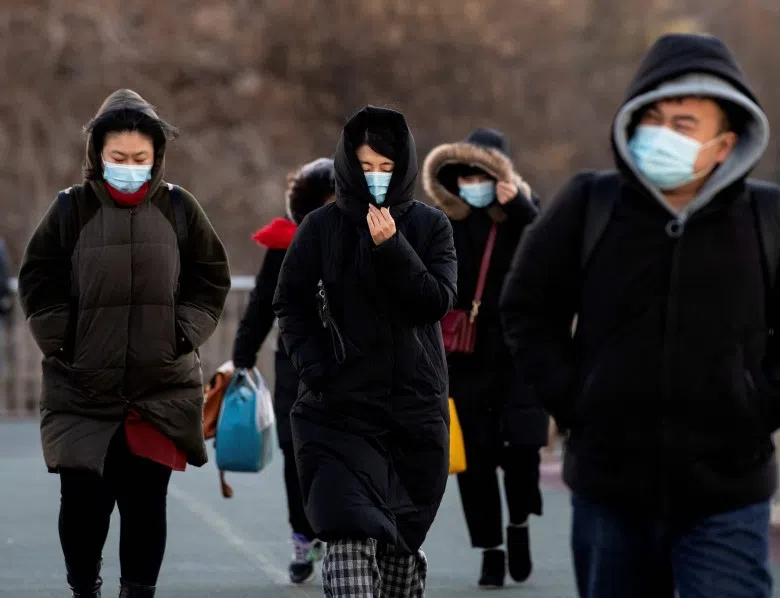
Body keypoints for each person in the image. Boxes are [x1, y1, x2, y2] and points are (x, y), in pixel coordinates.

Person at [500, 33, 780, 598]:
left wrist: (765, 401)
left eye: (683, 125)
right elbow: (526, 309)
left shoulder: (771, 215)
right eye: (651, 119)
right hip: (611, 488)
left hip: (727, 491)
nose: (660, 135)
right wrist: (575, 400)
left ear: (723, 145)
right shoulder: (589, 204)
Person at [17, 89, 231, 598]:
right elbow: (38, 278)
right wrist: (63, 341)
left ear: (157, 156)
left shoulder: (180, 208)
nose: (130, 167)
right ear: (98, 156)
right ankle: (83, 588)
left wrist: (184, 332)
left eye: (140, 158)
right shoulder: (71, 210)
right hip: (82, 388)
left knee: (145, 506)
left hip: (159, 389)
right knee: (83, 505)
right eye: (118, 158)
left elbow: (211, 277)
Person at [273, 105, 457, 597]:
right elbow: (290, 303)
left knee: (399, 549)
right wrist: (315, 367)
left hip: (412, 415)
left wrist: (393, 248)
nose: (375, 178)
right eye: (365, 167)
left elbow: (435, 302)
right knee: (348, 532)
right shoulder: (320, 227)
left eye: (387, 167)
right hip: (338, 413)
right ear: (347, 168)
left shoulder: (431, 226)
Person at [422, 128, 546, 588]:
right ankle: (491, 549)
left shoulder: (524, 216)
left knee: (523, 451)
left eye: (484, 173)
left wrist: (519, 208)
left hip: (518, 356)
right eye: (467, 173)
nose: (474, 181)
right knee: (474, 460)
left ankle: (518, 525)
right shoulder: (445, 221)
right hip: (464, 355)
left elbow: (548, 255)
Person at [231, 157, 335, 583]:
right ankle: (302, 535)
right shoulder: (285, 245)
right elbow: (260, 306)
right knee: (295, 456)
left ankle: (341, 534)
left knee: (341, 456)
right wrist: (242, 355)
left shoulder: (368, 240)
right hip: (295, 367)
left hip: (351, 369)